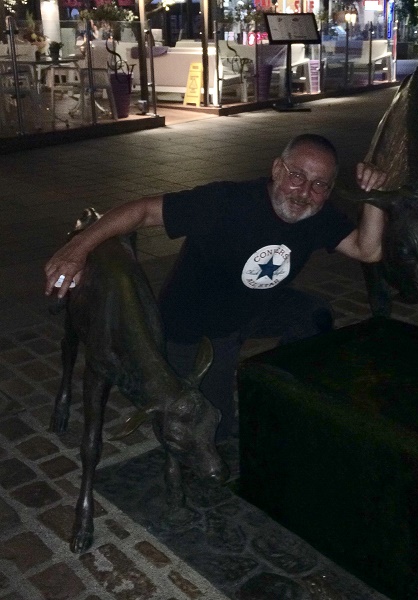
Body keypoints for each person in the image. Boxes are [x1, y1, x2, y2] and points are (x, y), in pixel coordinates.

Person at [45, 134, 387, 442]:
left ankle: (279, 393)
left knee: (313, 315)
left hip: (252, 309)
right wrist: (78, 249)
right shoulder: (227, 202)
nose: (304, 192)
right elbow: (144, 212)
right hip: (196, 328)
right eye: (296, 175)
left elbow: (368, 250)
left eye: (319, 184)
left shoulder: (318, 216)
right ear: (277, 170)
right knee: (213, 430)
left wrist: (375, 196)